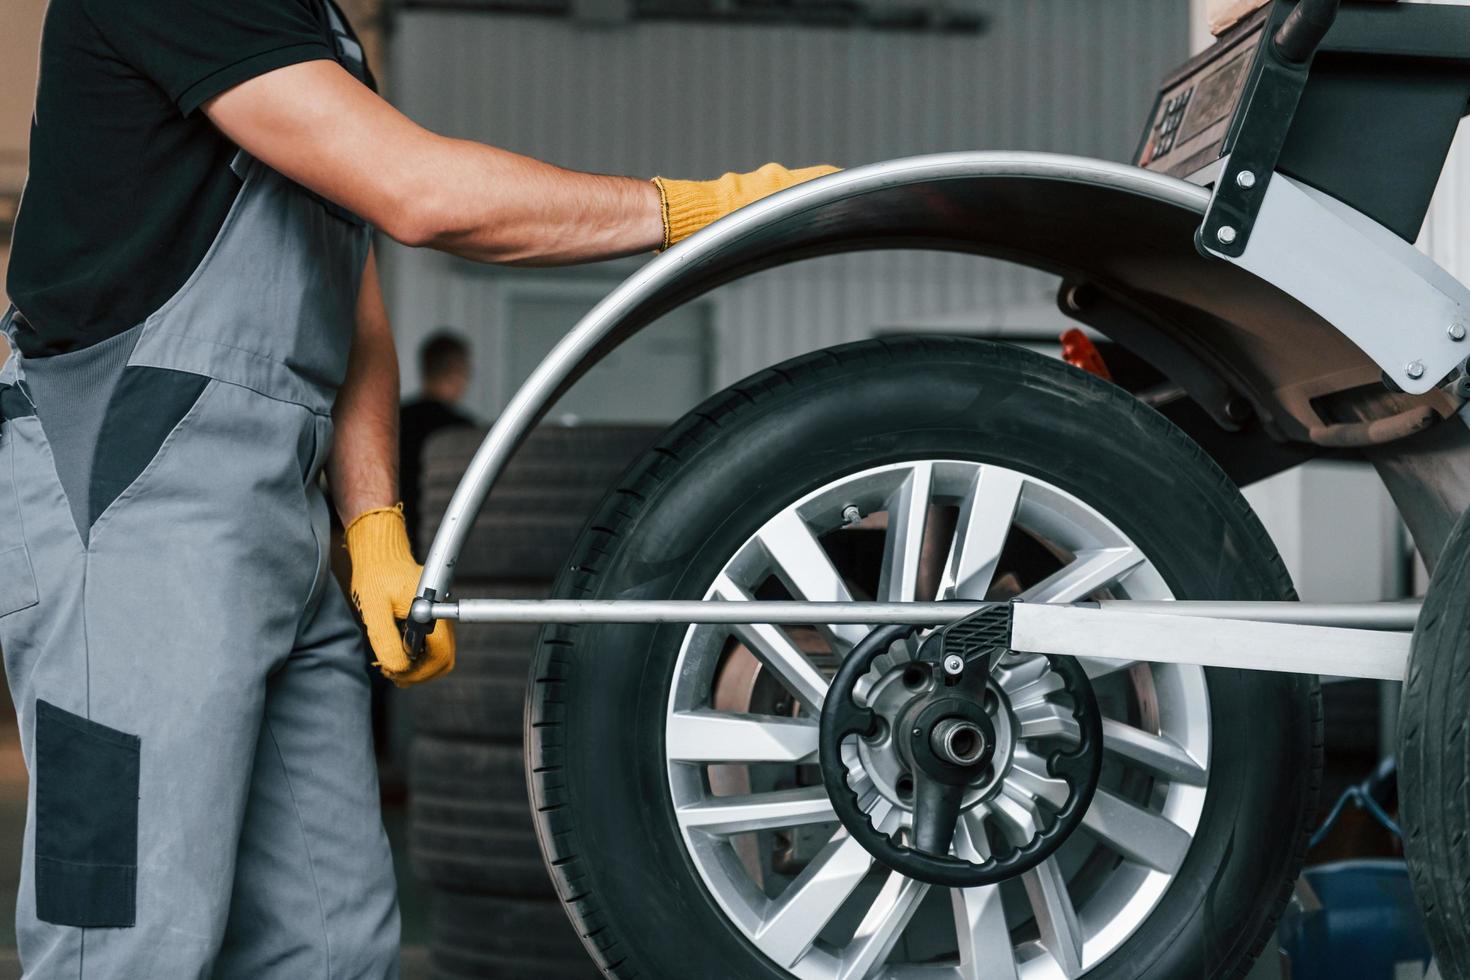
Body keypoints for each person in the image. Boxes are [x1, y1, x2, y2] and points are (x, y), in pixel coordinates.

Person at [0, 0, 836, 974]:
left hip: (283, 518)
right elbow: (419, 194)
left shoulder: (315, 29)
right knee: (130, 934)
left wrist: (375, 528)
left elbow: (350, 309)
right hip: (135, 502)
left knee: (328, 940)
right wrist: (702, 209)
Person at [400, 331, 476, 551]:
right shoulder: (463, 431)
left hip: (395, 536)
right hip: (441, 542)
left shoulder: (394, 420)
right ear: (460, 372)